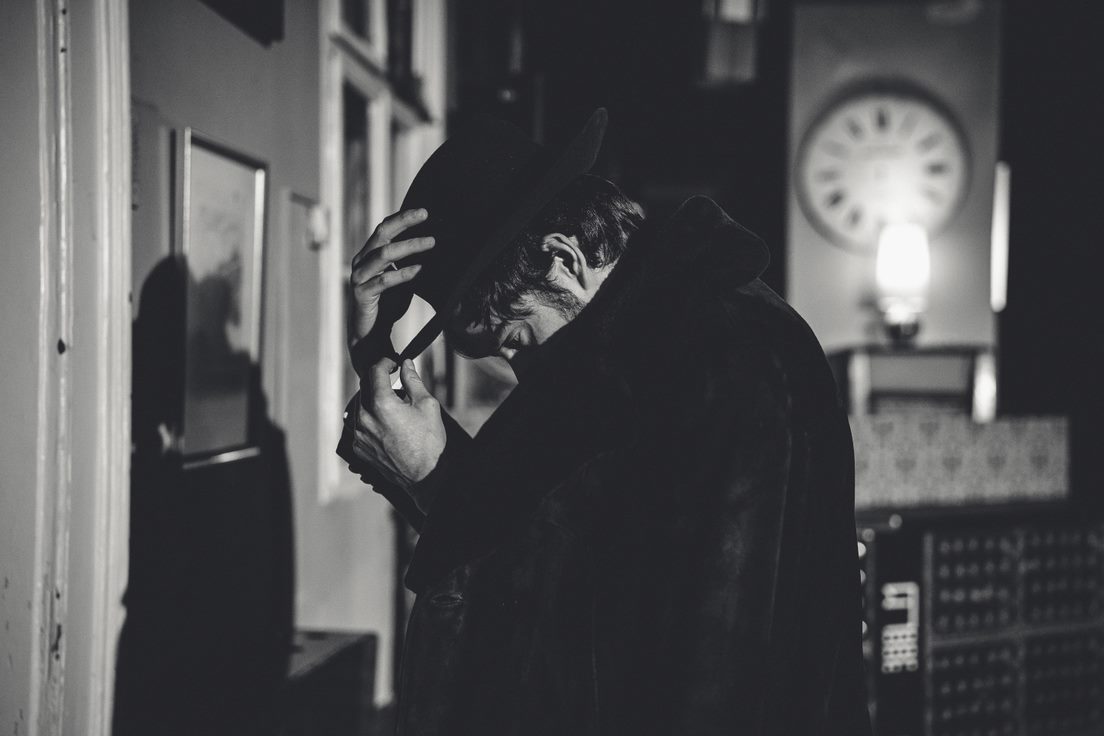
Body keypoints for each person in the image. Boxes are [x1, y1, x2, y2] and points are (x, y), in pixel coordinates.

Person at [337, 109, 871, 735]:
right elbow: (543, 542)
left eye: (516, 339)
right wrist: (376, 357)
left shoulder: (727, 359)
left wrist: (434, 478)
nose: (521, 373)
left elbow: (674, 662)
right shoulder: (610, 359)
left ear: (564, 259)